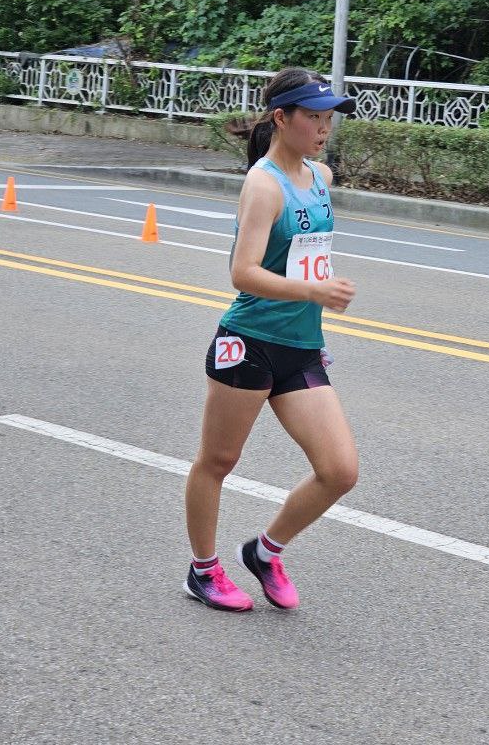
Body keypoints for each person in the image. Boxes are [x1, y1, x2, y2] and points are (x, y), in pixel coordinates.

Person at [183, 68, 358, 612]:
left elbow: (307, 256)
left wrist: (315, 301)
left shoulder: (320, 176)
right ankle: (203, 571)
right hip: (250, 341)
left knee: (339, 470)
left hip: (300, 347)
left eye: (329, 117)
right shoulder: (262, 184)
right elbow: (242, 272)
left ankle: (264, 551)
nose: (324, 127)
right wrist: (312, 290)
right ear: (282, 118)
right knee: (219, 460)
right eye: (313, 116)